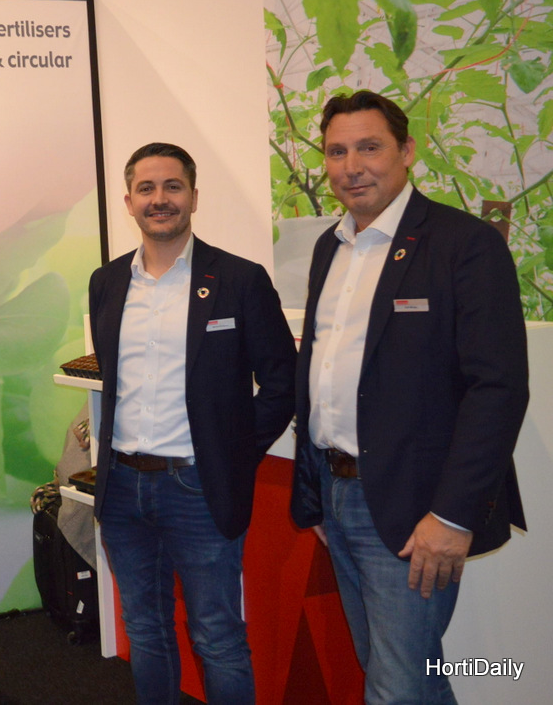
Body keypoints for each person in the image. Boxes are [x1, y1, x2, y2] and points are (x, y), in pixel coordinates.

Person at [290, 90, 528, 704]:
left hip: (414, 508)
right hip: (337, 493)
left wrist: (452, 516)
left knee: (396, 687)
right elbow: (321, 372)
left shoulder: (463, 243)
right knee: (398, 672)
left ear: (407, 152)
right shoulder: (329, 247)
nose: (351, 167)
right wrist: (316, 494)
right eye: (336, 152)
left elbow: (498, 389)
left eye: (369, 147)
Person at [88, 143, 296, 704]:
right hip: (121, 487)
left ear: (194, 197)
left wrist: (232, 451)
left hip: (199, 488)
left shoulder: (240, 280)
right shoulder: (107, 282)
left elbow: (283, 381)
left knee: (217, 637)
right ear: (129, 201)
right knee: (145, 630)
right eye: (147, 189)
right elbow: (113, 376)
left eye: (172, 187)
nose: (160, 199)